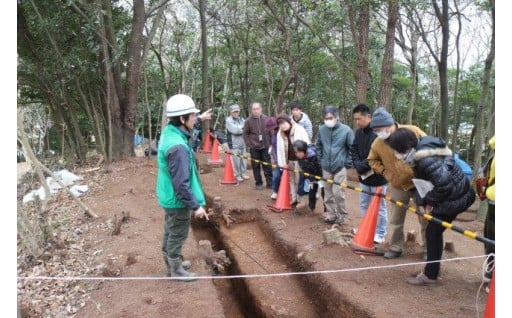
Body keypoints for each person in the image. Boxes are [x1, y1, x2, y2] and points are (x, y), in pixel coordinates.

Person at [387, 128, 476, 286]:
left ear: (406, 148)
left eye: (397, 151)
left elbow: (444, 185)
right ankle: (431, 271)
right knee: (433, 231)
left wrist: (429, 201)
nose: (396, 155)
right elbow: (423, 182)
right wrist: (422, 202)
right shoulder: (421, 154)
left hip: (455, 198)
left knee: (433, 232)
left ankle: (431, 275)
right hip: (453, 194)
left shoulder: (426, 159)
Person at [156, 94, 210, 282]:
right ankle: (176, 270)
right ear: (182, 119)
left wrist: (199, 119)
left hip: (168, 195)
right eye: (193, 116)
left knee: (170, 230)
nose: (195, 119)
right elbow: (181, 184)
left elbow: (186, 130)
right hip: (176, 199)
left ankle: (173, 262)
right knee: (177, 233)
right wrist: (196, 206)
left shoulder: (170, 132)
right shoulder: (177, 148)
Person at [367, 107, 428, 259]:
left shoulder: (413, 130)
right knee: (396, 218)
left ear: (390, 124)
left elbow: (429, 147)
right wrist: (386, 173)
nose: (378, 132)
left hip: (420, 181)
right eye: (375, 130)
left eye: (380, 129)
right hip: (398, 184)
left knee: (426, 216)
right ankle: (395, 247)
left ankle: (429, 249)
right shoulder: (378, 143)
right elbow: (372, 160)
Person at [349, 104, 388, 244]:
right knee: (364, 204)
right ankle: (366, 228)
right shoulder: (358, 133)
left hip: (378, 178)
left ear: (369, 117)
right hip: (363, 177)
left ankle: (380, 233)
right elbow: (353, 149)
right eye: (356, 119)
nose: (358, 122)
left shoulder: (378, 133)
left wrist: (362, 165)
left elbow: (379, 156)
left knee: (380, 206)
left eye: (360, 118)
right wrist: (357, 165)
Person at [316, 105, 354, 224]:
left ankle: (342, 215)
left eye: (331, 117)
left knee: (338, 193)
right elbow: (318, 145)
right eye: (326, 118)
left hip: (340, 166)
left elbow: (352, 148)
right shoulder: (322, 129)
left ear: (337, 117)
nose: (328, 120)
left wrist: (347, 163)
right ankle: (331, 214)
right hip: (326, 166)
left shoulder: (346, 130)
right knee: (327, 193)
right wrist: (320, 159)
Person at [275, 114, 310, 206]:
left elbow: (307, 144)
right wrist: (282, 164)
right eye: (280, 124)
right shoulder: (280, 133)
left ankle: (301, 199)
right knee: (291, 180)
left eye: (284, 123)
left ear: (288, 121)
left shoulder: (299, 129)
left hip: (299, 160)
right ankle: (294, 198)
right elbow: (279, 149)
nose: (282, 125)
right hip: (289, 160)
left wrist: (306, 159)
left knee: (299, 180)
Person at [243, 102, 273, 190]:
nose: (256, 111)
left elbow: (271, 132)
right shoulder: (248, 121)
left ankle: (270, 183)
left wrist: (271, 144)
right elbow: (245, 134)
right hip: (254, 148)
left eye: (257, 109)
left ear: (261, 109)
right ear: (251, 110)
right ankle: (258, 183)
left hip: (265, 146)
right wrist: (250, 144)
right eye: (254, 109)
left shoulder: (267, 119)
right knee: (255, 166)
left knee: (267, 165)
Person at [289, 100, 314, 205]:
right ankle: (295, 197)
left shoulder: (306, 121)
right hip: (292, 153)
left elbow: (309, 136)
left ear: (300, 110)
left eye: (297, 110)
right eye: (293, 110)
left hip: (304, 151)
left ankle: (307, 195)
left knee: (304, 176)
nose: (295, 112)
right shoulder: (289, 121)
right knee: (293, 177)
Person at [293, 140, 322, 212]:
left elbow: (318, 167)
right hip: (311, 177)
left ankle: (326, 210)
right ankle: (311, 207)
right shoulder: (300, 158)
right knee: (312, 191)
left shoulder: (313, 156)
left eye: (299, 152)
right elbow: (304, 169)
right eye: (296, 152)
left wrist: (317, 177)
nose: (298, 154)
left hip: (321, 175)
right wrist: (309, 178)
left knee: (325, 192)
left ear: (304, 150)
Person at [482, 135, 495, 285]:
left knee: (492, 238)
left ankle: (492, 276)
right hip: (494, 200)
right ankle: (491, 273)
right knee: (491, 238)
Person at [225, 104, 249, 182]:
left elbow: (247, 128)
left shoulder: (242, 119)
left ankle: (243, 173)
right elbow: (235, 130)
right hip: (233, 144)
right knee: (236, 160)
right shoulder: (228, 120)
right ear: (231, 112)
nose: (236, 113)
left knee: (244, 159)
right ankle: (237, 174)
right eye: (234, 112)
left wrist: (242, 128)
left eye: (237, 111)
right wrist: (242, 128)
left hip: (242, 143)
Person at [265, 116, 281, 200]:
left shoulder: (283, 133)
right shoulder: (273, 135)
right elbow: (274, 148)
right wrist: (275, 159)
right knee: (276, 176)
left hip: (287, 159)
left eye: (273, 128)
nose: (272, 130)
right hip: (277, 160)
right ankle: (275, 191)